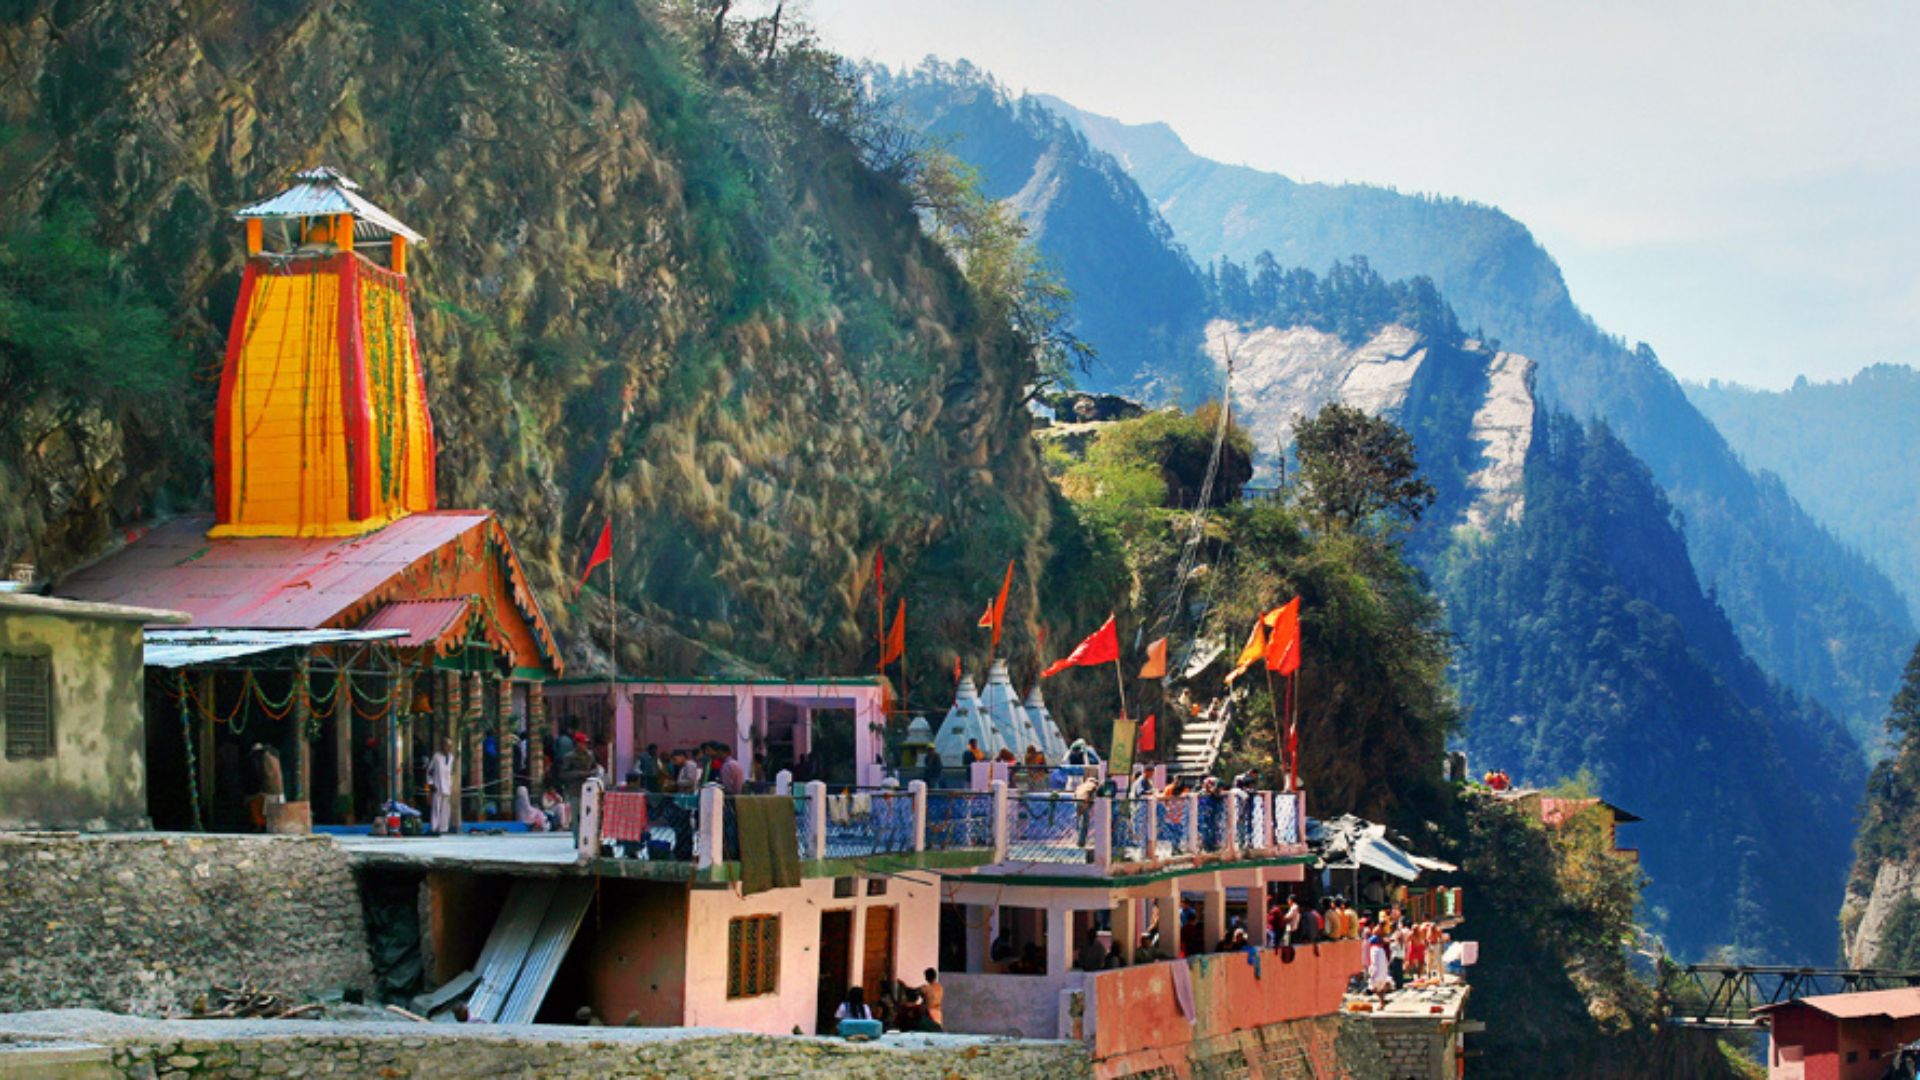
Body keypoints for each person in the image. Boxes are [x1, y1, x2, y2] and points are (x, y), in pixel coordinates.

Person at [427, 739, 456, 835]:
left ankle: (444, 828)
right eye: (446, 745)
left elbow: (450, 772)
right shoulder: (436, 757)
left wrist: (450, 784)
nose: (448, 748)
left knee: (445, 808)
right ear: (442, 746)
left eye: (450, 746)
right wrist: (430, 783)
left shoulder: (451, 757)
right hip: (437, 785)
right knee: (436, 807)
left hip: (447, 786)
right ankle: (434, 827)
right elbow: (430, 771)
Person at [1367, 933, 1395, 1002]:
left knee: (1373, 988)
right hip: (1383, 972)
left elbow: (1374, 962)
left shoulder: (1373, 949)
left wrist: (1371, 971)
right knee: (1380, 989)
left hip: (1376, 973)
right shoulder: (1382, 950)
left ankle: (1382, 1001)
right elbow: (1385, 961)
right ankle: (1382, 1001)